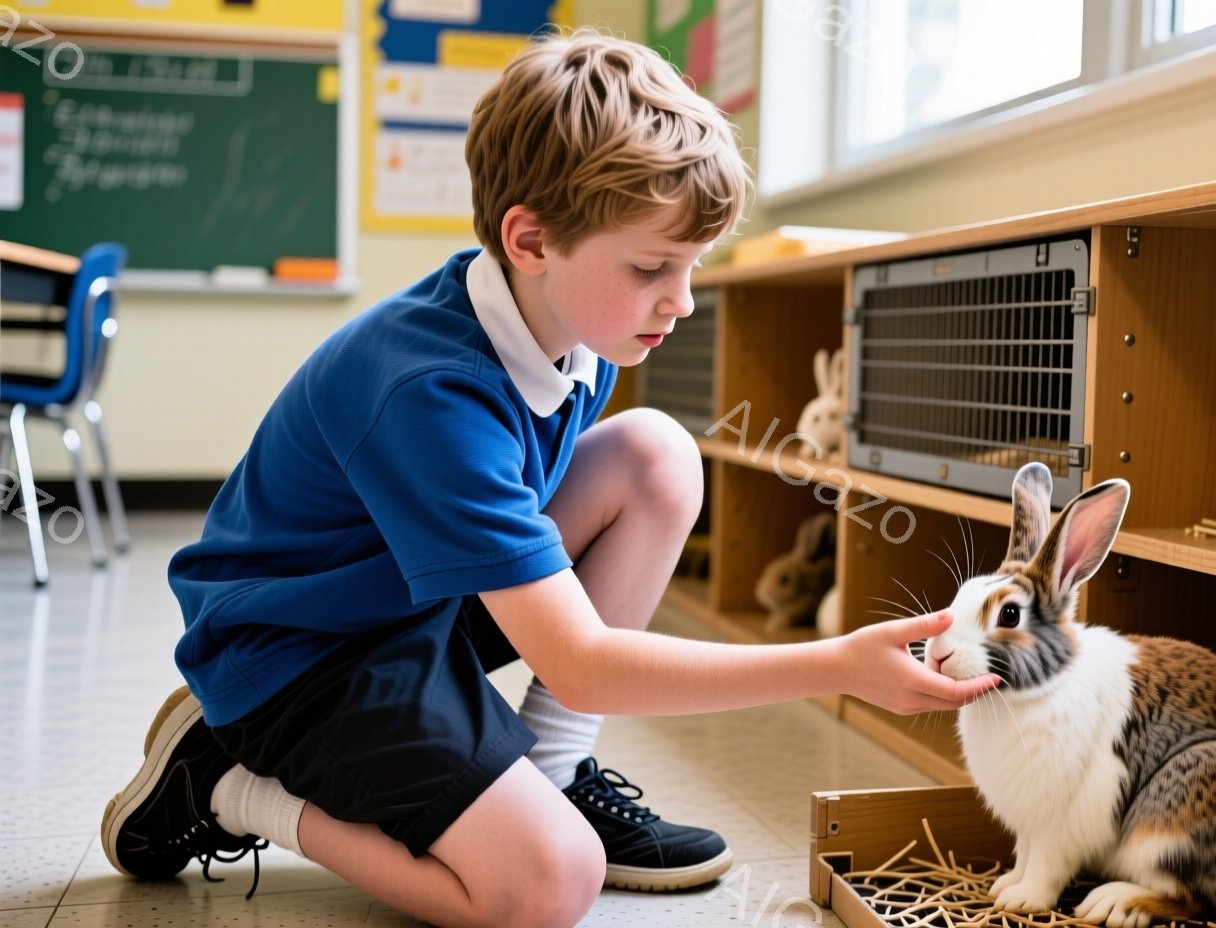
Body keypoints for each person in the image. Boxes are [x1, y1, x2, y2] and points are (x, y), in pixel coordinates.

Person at [99, 27, 1000, 928]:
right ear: (528, 240)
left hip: (408, 605)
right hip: (300, 656)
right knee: (545, 889)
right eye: (653, 268)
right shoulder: (427, 389)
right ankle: (221, 785)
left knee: (656, 452)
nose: (681, 301)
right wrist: (830, 666)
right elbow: (583, 662)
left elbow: (545, 567)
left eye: (691, 269)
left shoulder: (572, 329)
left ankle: (553, 773)